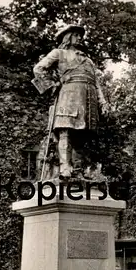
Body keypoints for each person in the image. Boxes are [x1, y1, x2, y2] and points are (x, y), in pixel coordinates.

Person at [32, 24, 108, 180]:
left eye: (81, 35)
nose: (80, 38)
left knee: (82, 136)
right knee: (65, 132)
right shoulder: (59, 53)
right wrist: (52, 86)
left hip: (87, 100)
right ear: (68, 37)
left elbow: (96, 83)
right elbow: (38, 69)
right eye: (76, 35)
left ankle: (79, 169)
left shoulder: (88, 61)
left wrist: (103, 102)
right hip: (68, 96)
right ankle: (65, 167)